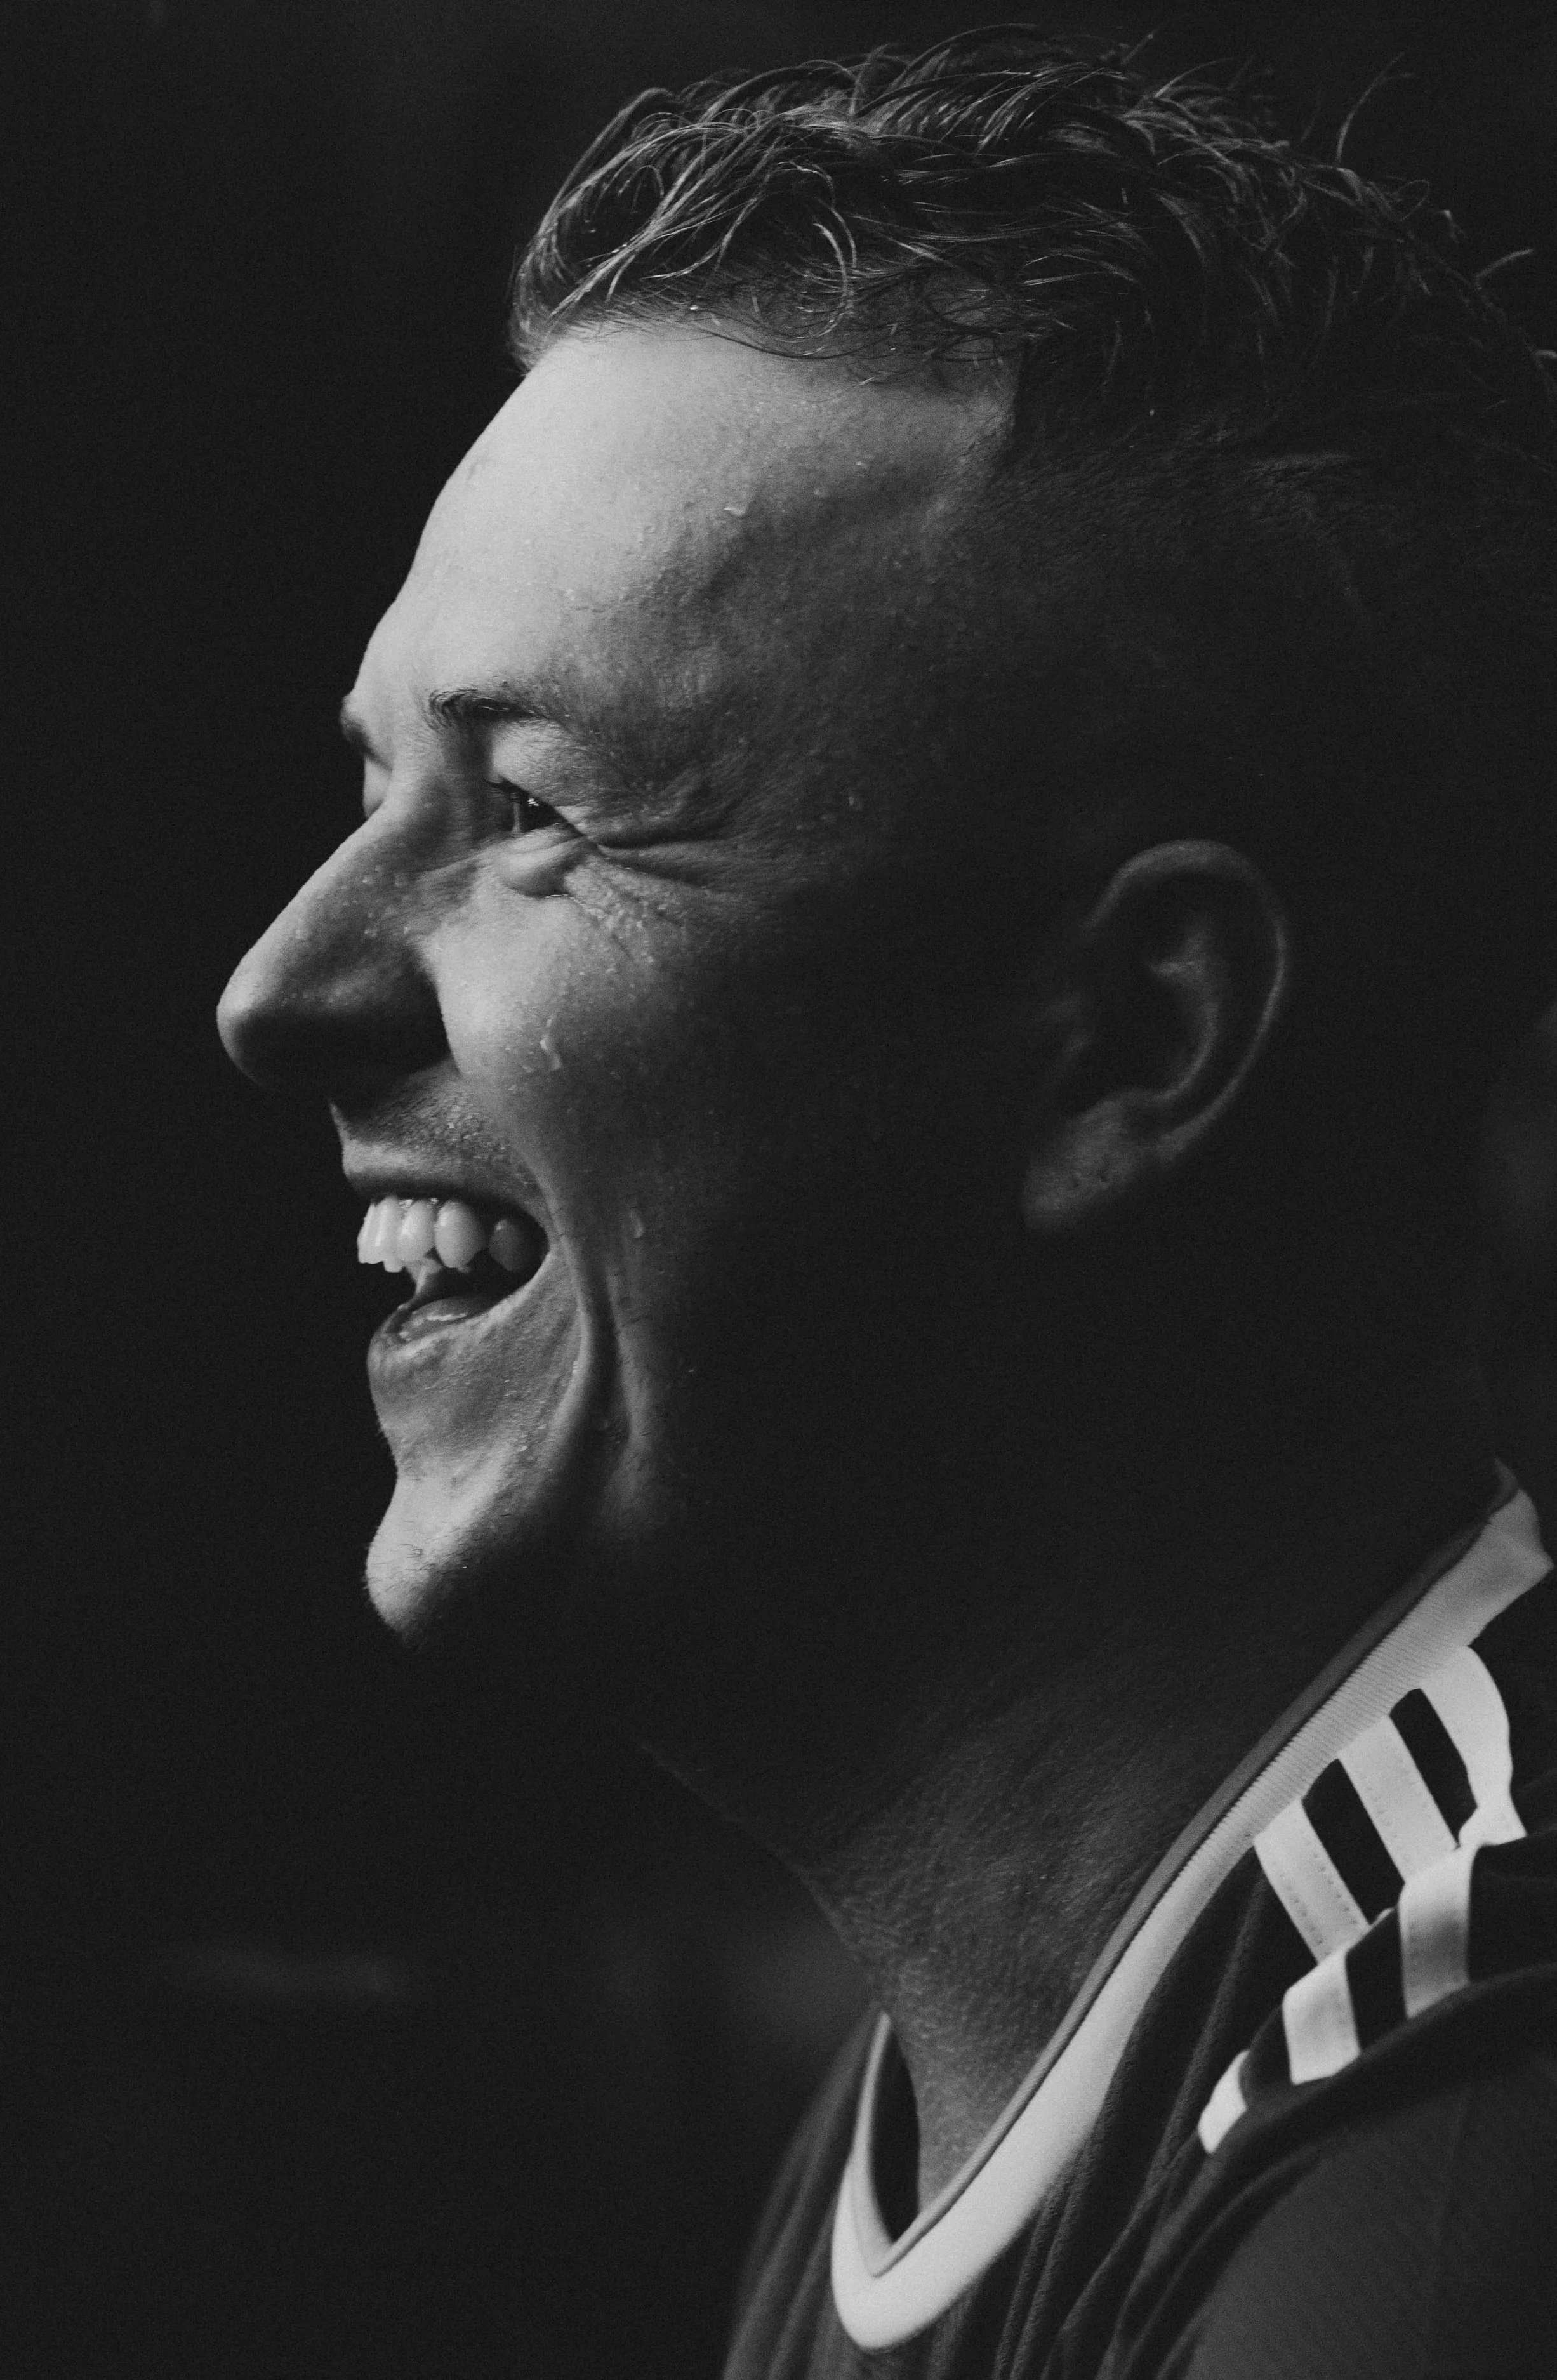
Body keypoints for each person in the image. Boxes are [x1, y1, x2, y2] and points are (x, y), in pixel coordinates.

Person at [216, 30, 1557, 2377]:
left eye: (533, 811)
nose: (281, 988)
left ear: (1129, 1037)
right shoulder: (985, 2079)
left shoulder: (1460, 2140)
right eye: (370, 789)